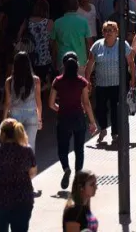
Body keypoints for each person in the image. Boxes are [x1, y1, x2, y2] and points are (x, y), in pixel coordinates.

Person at [49, 53, 96, 191]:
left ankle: (66, 168)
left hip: (63, 118)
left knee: (62, 148)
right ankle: (78, 176)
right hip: (78, 118)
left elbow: (51, 104)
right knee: (79, 149)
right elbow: (86, 103)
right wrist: (92, 122)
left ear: (63, 65)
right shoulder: (82, 82)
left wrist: (60, 109)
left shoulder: (57, 81)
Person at [85, 20, 134, 146]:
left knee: (115, 109)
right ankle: (103, 128)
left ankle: (115, 133)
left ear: (117, 32)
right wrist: (87, 80)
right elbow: (90, 63)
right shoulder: (97, 45)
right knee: (99, 108)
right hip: (101, 83)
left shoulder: (123, 45)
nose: (108, 33)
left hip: (118, 84)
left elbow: (131, 63)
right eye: (105, 30)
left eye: (111, 30)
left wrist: (133, 78)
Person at [3, 52, 43, 154]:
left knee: (15, 146)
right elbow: (38, 101)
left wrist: (4, 120)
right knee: (30, 146)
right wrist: (39, 119)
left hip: (14, 115)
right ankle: (30, 168)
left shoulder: (9, 81)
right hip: (31, 115)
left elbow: (7, 103)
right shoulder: (36, 80)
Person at [52, 0, 91, 69]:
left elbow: (53, 44)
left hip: (62, 61)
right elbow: (88, 43)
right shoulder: (83, 22)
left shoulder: (57, 22)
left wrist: (54, 60)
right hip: (80, 60)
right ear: (77, 7)